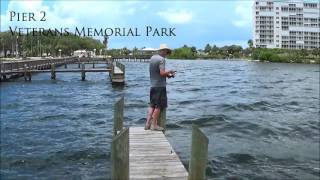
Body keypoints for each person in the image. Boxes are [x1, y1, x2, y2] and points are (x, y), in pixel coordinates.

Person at [145, 44, 176, 131]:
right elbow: (162, 73)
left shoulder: (152, 58)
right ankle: (154, 125)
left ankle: (147, 124)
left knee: (152, 105)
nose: (166, 54)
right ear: (163, 50)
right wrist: (170, 72)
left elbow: (157, 73)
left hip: (153, 85)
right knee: (158, 106)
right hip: (160, 86)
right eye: (166, 52)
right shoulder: (161, 59)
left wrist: (168, 75)